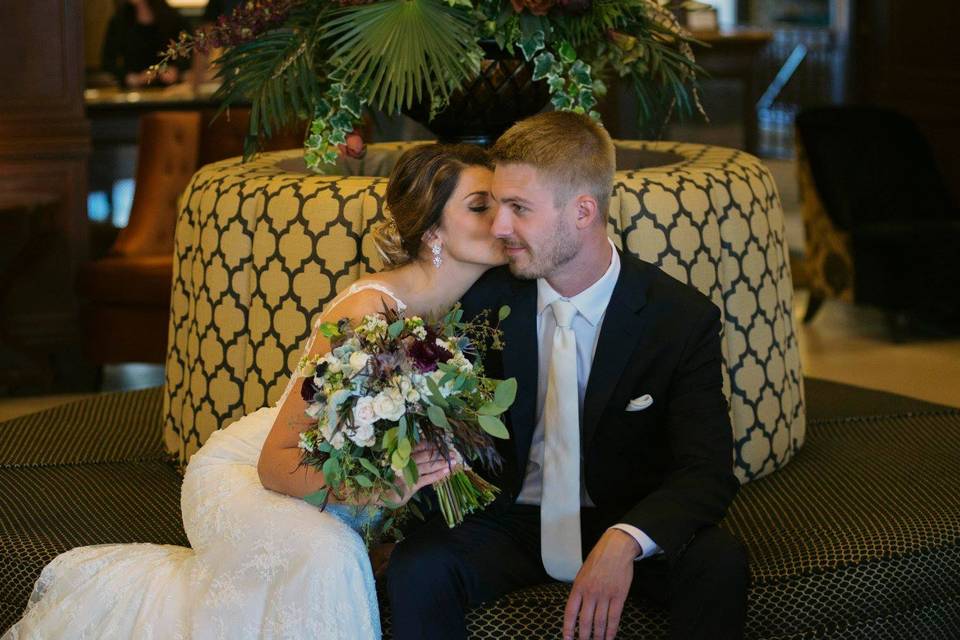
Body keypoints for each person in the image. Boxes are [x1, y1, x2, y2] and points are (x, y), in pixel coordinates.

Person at [2, 143, 504, 640]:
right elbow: (276, 464)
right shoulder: (367, 314)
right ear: (432, 228)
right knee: (328, 558)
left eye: (505, 204)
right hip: (254, 477)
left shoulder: (466, 317)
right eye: (480, 206)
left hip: (325, 495)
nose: (502, 220)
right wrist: (381, 491)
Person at [386, 111, 749, 640]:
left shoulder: (680, 319)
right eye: (495, 205)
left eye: (519, 209)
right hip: (510, 521)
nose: (499, 227)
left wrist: (625, 539)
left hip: (619, 514)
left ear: (582, 211)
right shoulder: (483, 302)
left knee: (719, 563)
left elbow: (707, 471)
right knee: (419, 566)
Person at [101, 0, 190, 88]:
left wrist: (176, 70)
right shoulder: (119, 21)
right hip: (134, 93)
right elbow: (108, 61)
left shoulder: (173, 18)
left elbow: (189, 52)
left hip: (170, 90)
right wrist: (130, 78)